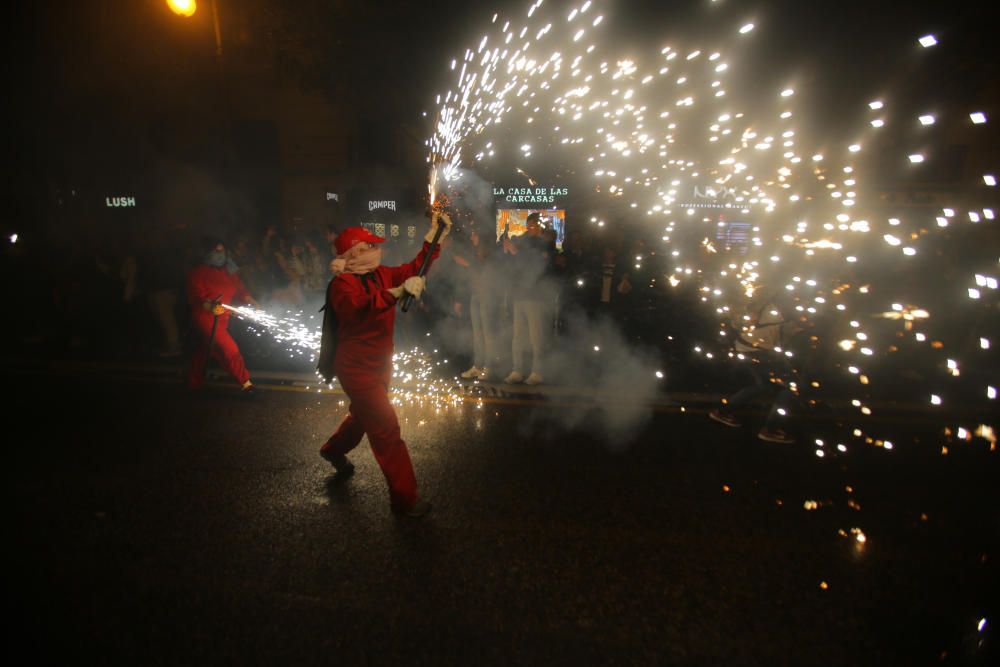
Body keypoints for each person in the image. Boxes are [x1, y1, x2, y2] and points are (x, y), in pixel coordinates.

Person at [318, 212, 451, 517]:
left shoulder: (381, 273)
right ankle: (405, 500)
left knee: (362, 417)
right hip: (356, 368)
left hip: (380, 363)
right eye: (370, 246)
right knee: (386, 429)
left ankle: (332, 451)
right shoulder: (342, 285)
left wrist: (433, 239)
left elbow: (414, 269)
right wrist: (397, 292)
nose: (377, 250)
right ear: (354, 253)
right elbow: (357, 308)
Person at [708, 290, 801, 443]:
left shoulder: (767, 306)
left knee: (765, 385)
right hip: (758, 351)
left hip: (746, 347)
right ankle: (770, 429)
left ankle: (723, 412)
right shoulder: (785, 313)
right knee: (791, 387)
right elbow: (793, 333)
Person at [186, 237, 262, 394]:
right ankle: (246, 384)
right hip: (206, 319)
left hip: (223, 318)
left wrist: (251, 300)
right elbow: (197, 298)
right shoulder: (197, 273)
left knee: (208, 349)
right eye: (216, 251)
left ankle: (193, 381)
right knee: (229, 348)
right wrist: (210, 306)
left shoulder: (228, 272)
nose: (220, 254)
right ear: (207, 252)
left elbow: (240, 289)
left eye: (222, 250)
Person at [502, 212, 555, 385]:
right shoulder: (522, 241)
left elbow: (537, 265)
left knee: (535, 337)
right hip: (519, 295)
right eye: (529, 225)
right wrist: (508, 250)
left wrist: (515, 251)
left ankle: (537, 371)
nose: (530, 229)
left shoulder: (545, 244)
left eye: (534, 226)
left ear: (540, 227)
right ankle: (517, 369)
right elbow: (512, 265)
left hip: (535, 296)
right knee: (518, 336)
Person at [459, 226, 501, 380]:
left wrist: (467, 264)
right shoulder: (474, 252)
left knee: (488, 333)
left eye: (474, 235)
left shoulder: (489, 254)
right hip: (476, 295)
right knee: (477, 334)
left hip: (487, 296)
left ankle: (489, 367)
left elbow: (486, 272)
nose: (471, 238)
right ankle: (478, 366)